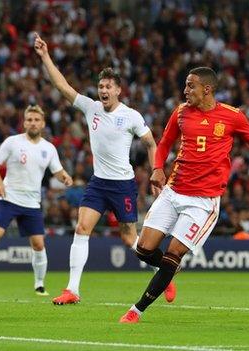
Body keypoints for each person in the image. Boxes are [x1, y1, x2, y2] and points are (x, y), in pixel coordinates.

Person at [119, 67, 249, 323]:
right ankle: (169, 272)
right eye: (186, 85)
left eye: (190, 86)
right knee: (143, 249)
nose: (185, 90)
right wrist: (157, 168)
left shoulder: (232, 116)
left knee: (173, 252)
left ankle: (136, 311)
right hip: (173, 191)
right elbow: (165, 143)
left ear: (207, 89)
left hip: (203, 202)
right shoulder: (180, 113)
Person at [33, 33, 168, 305]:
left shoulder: (131, 116)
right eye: (100, 86)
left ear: (118, 90)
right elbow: (62, 86)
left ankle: (161, 271)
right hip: (98, 183)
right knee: (82, 228)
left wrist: (157, 170)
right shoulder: (91, 108)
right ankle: (72, 290)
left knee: (131, 238)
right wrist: (45, 56)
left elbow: (152, 142)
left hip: (123, 185)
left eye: (108, 86)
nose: (103, 90)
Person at [0, 105, 73, 296]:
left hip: (32, 204)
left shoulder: (48, 148)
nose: (33, 123)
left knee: (38, 244)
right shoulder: (12, 142)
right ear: (24, 123)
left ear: (43, 124)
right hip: (9, 198)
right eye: (29, 120)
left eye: (36, 120)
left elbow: (57, 171)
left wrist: (65, 177)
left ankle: (39, 284)